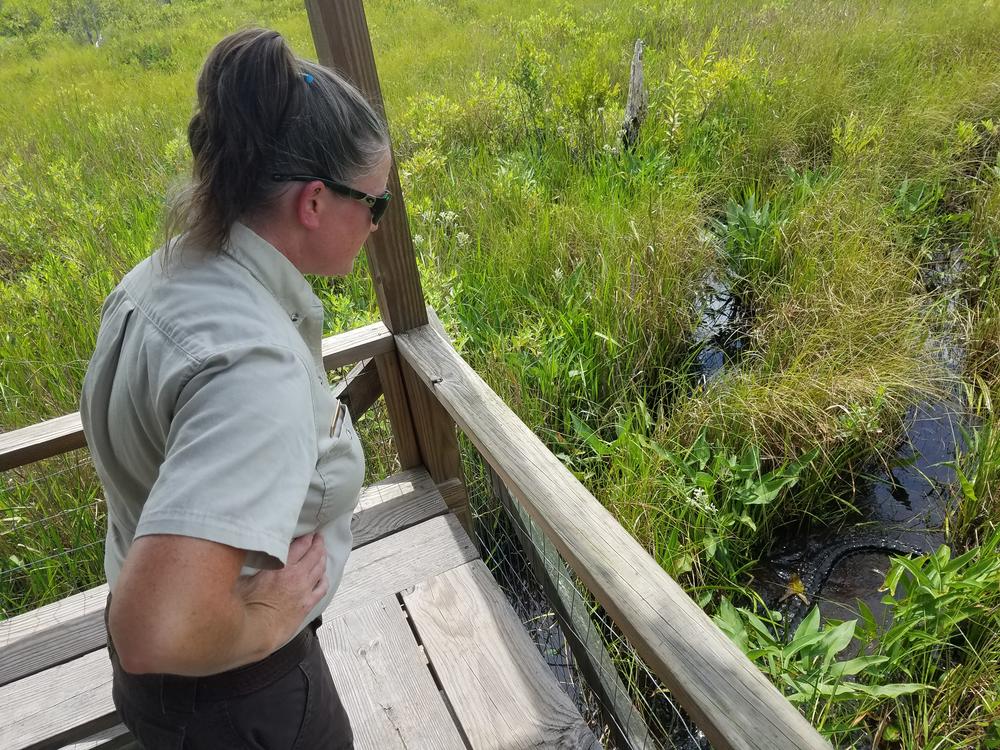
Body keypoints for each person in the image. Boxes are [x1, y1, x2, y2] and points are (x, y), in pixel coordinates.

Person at [80, 27, 392, 749]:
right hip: (243, 699)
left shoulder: (154, 280)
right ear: (315, 202)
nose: (377, 225)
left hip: (177, 697)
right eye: (374, 205)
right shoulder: (256, 368)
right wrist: (275, 617)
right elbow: (153, 630)